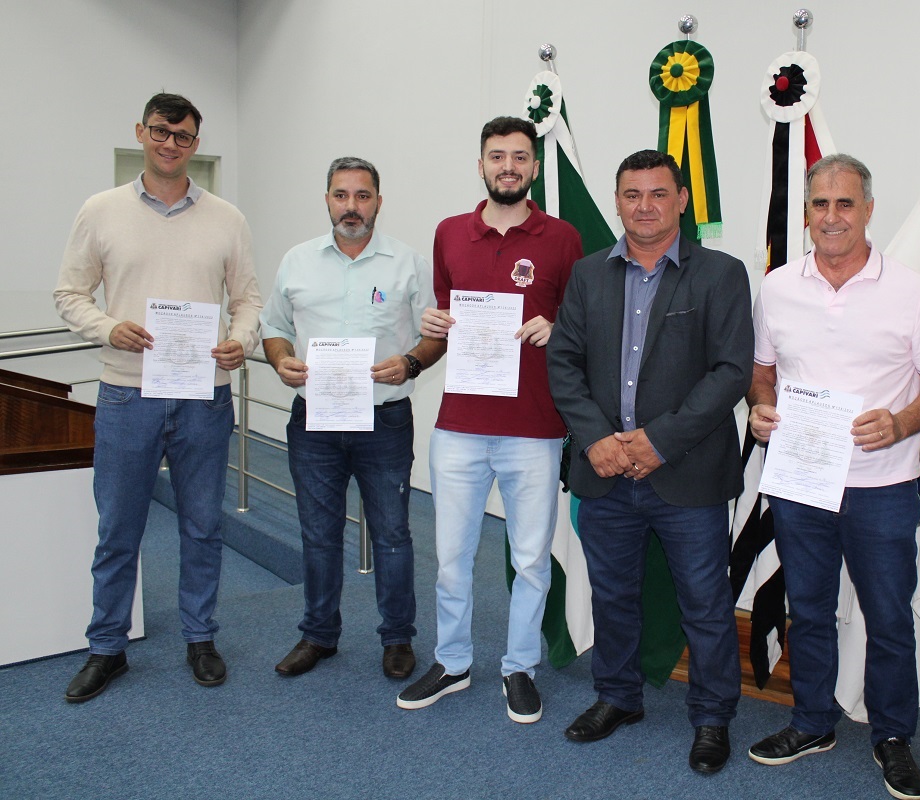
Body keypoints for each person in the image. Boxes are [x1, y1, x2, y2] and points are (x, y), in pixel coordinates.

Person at [744, 154, 920, 800]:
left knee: (887, 615)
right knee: (808, 609)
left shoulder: (910, 291)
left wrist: (902, 422)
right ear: (806, 212)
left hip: (882, 484)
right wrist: (760, 408)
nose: (832, 217)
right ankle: (812, 722)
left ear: (868, 210)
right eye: (820, 204)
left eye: (845, 203)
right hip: (802, 479)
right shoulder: (778, 287)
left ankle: (893, 735)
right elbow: (762, 372)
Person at [546, 149, 753, 775]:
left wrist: (657, 442)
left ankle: (712, 716)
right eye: (632, 194)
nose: (645, 206)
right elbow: (564, 364)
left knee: (705, 602)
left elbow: (730, 372)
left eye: (659, 193)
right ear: (616, 202)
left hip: (686, 471)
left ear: (682, 200)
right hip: (605, 469)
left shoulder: (721, 274)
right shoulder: (588, 274)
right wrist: (597, 440)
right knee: (613, 595)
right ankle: (617, 696)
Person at [54, 93, 262, 701]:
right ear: (141, 133)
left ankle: (200, 637)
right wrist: (107, 328)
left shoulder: (227, 218)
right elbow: (69, 294)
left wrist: (241, 339)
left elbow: (247, 299)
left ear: (197, 143)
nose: (171, 144)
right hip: (127, 394)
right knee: (119, 528)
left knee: (202, 526)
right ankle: (106, 648)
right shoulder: (100, 210)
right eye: (161, 132)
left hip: (204, 396)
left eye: (183, 135)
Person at [395, 117, 582, 724]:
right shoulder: (450, 233)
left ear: (534, 168)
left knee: (530, 561)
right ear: (480, 165)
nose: (508, 166)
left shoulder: (563, 238)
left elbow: (584, 322)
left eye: (520, 157)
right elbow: (445, 317)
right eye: (497, 156)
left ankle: (519, 666)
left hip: (535, 426)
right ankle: (452, 662)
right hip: (460, 425)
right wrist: (433, 325)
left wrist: (558, 327)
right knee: (451, 558)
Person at [260, 157, 440, 680]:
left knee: (392, 535)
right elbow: (273, 326)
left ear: (378, 202)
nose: (351, 207)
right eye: (341, 195)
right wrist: (280, 360)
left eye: (363, 196)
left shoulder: (407, 263)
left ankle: (398, 637)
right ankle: (319, 634)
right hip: (314, 421)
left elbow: (434, 334)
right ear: (327, 200)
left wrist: (410, 363)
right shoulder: (297, 261)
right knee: (318, 534)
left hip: (384, 421)